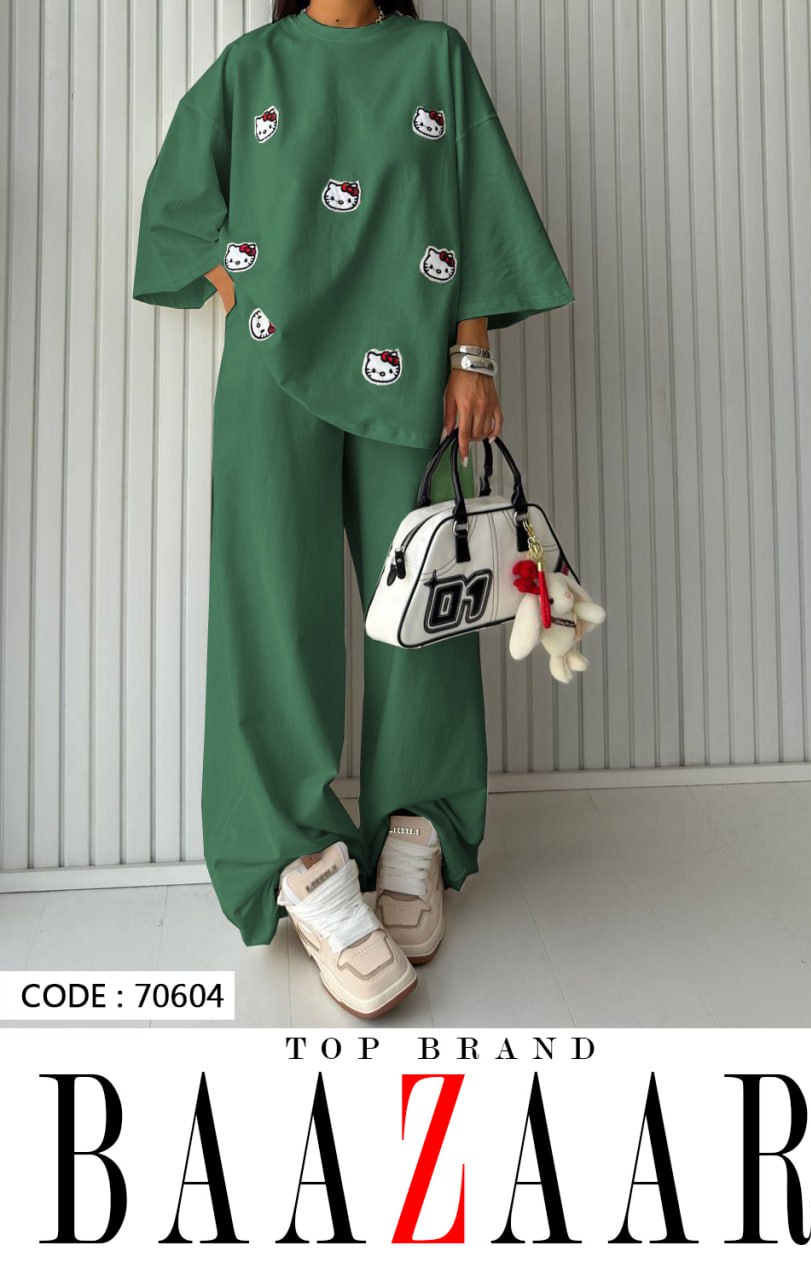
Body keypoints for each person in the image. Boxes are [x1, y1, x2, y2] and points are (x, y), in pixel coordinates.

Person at [132, 0, 574, 1020]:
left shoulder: (435, 57)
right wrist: (241, 284)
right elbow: (177, 208)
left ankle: (418, 825)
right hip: (270, 373)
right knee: (269, 610)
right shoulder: (249, 68)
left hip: (411, 365)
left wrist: (472, 355)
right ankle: (297, 858)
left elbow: (474, 206)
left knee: (421, 599)